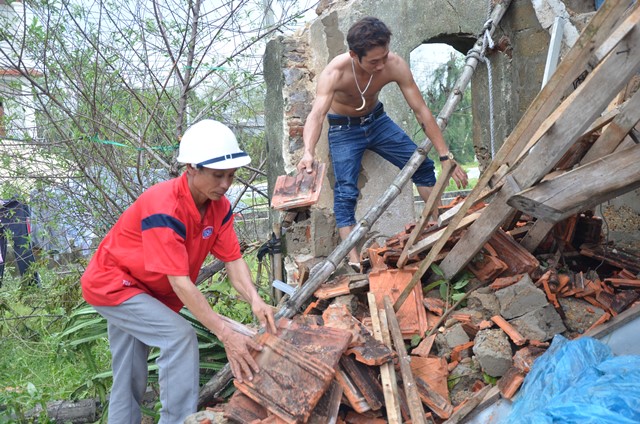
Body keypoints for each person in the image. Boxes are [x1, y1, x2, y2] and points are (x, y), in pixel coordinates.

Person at [81, 119, 276, 424]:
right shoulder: (164, 208)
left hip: (147, 290)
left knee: (129, 373)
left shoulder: (219, 206)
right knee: (180, 337)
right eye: (218, 175)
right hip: (114, 285)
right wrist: (225, 334)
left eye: (231, 176)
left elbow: (234, 262)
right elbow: (182, 284)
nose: (225, 184)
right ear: (191, 168)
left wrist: (255, 300)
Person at [297, 17, 468, 271]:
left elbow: (420, 110)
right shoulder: (335, 72)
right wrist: (308, 152)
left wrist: (445, 156)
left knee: (421, 165)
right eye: (374, 61)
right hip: (343, 129)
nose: (381, 65)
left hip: (378, 122)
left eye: (384, 57)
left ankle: (439, 228)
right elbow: (316, 115)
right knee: (345, 194)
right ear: (354, 55)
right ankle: (354, 261)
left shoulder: (394, 65)